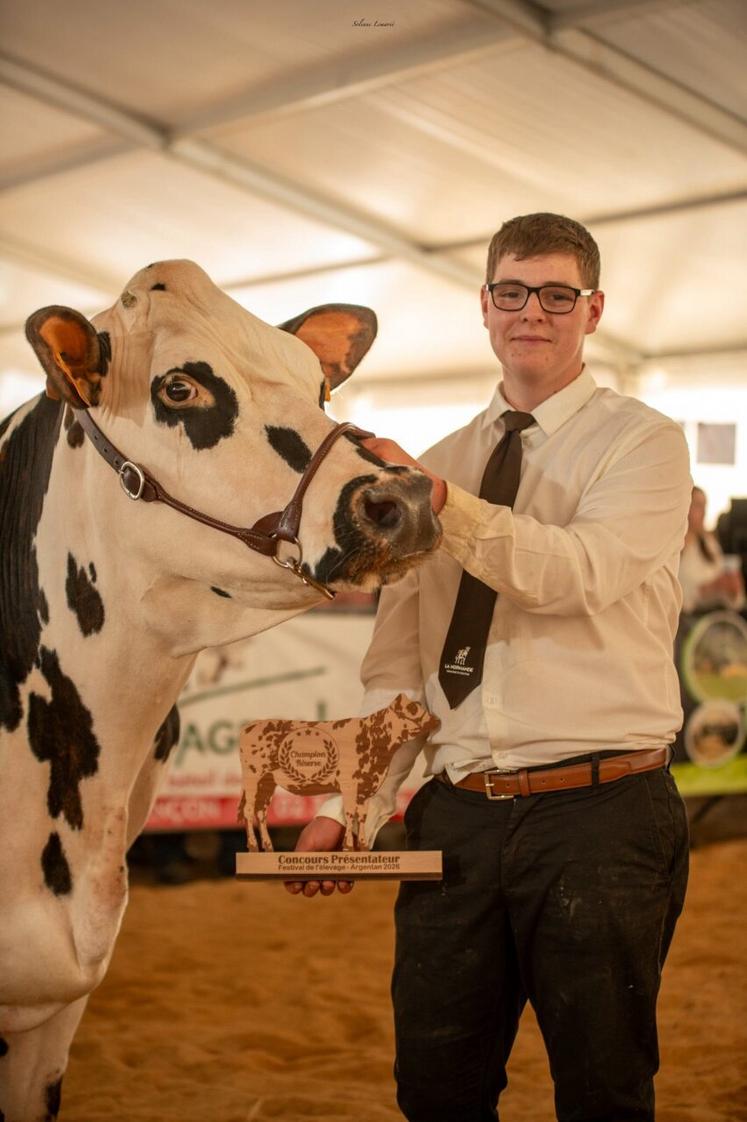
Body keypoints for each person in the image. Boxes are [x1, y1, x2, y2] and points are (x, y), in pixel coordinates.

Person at [286, 212, 692, 1122]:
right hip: (456, 820)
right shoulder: (437, 464)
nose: (531, 313)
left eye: (555, 295)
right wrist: (345, 810)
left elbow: (576, 574)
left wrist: (445, 507)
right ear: (484, 306)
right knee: (434, 1089)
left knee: (603, 1090)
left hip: (601, 817)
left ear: (592, 310)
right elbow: (395, 668)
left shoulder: (643, 443)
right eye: (511, 292)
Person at [679, 485, 745, 613]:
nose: (703, 512)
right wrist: (707, 589)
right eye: (698, 505)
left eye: (704, 506)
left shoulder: (709, 544)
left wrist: (732, 588)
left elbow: (732, 595)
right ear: (685, 507)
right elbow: (678, 596)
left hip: (717, 619)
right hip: (688, 622)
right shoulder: (674, 547)